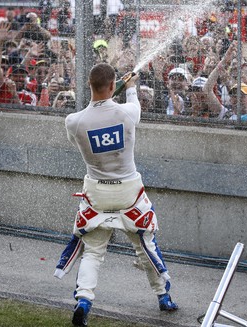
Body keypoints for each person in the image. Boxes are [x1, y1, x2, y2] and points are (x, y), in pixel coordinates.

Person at [55, 63, 178, 327]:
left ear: (89, 85)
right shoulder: (127, 113)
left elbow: (92, 119)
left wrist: (113, 91)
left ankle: (84, 300)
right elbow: (134, 107)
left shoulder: (74, 122)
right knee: (144, 245)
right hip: (128, 192)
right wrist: (130, 87)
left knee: (94, 251)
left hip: (97, 193)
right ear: (114, 85)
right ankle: (163, 296)